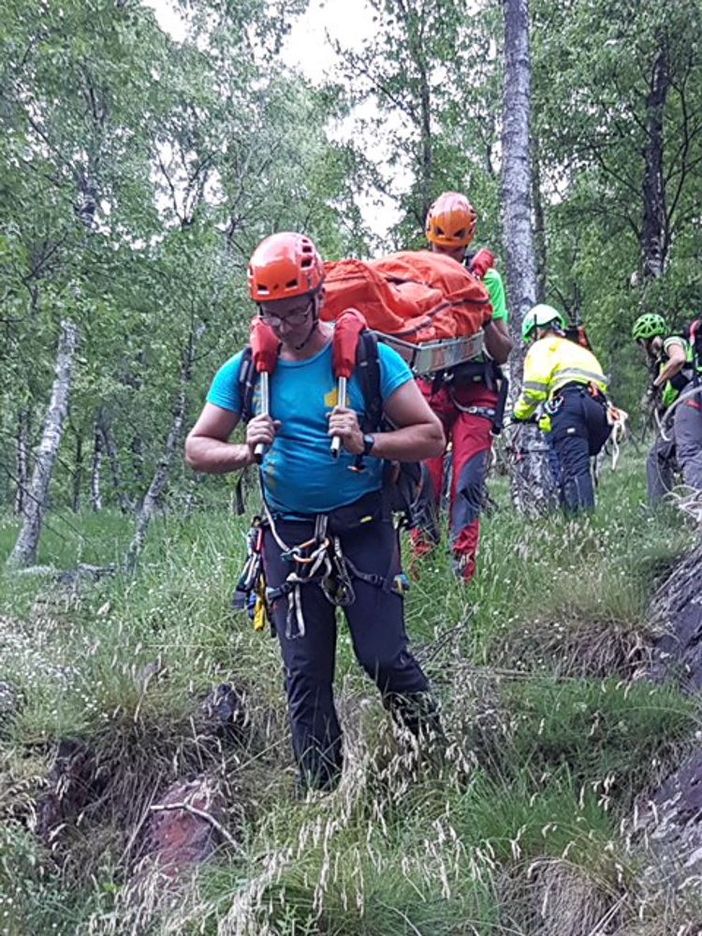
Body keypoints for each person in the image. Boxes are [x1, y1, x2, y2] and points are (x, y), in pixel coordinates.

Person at [185, 232, 445, 794]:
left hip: (364, 526)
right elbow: (196, 448)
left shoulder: (372, 358)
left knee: (381, 656)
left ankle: (433, 759)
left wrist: (367, 443)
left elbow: (432, 437)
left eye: (294, 311)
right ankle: (322, 798)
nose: (283, 326)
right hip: (290, 537)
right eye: (270, 315)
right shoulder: (248, 370)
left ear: (319, 295)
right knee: (305, 673)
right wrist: (242, 451)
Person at [411, 191, 513, 582]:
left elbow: (502, 351)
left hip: (475, 390)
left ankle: (462, 569)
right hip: (431, 389)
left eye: (455, 250)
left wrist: (484, 313)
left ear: (468, 242)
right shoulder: (420, 277)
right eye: (441, 249)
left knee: (467, 482)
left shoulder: (490, 280)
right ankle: (422, 567)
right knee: (425, 483)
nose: (448, 258)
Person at [513, 304, 611, 513]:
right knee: (576, 466)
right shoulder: (579, 350)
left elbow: (534, 390)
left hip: (570, 406)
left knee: (573, 472)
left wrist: (518, 414)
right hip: (598, 409)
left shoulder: (542, 347)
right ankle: (577, 523)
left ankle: (582, 528)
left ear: (537, 330)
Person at [632, 313, 702, 500]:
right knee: (658, 455)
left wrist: (654, 385)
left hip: (693, 395)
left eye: (641, 343)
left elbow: (678, 359)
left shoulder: (671, 342)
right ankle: (661, 511)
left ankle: (698, 504)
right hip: (689, 404)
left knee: (690, 451)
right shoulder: (661, 362)